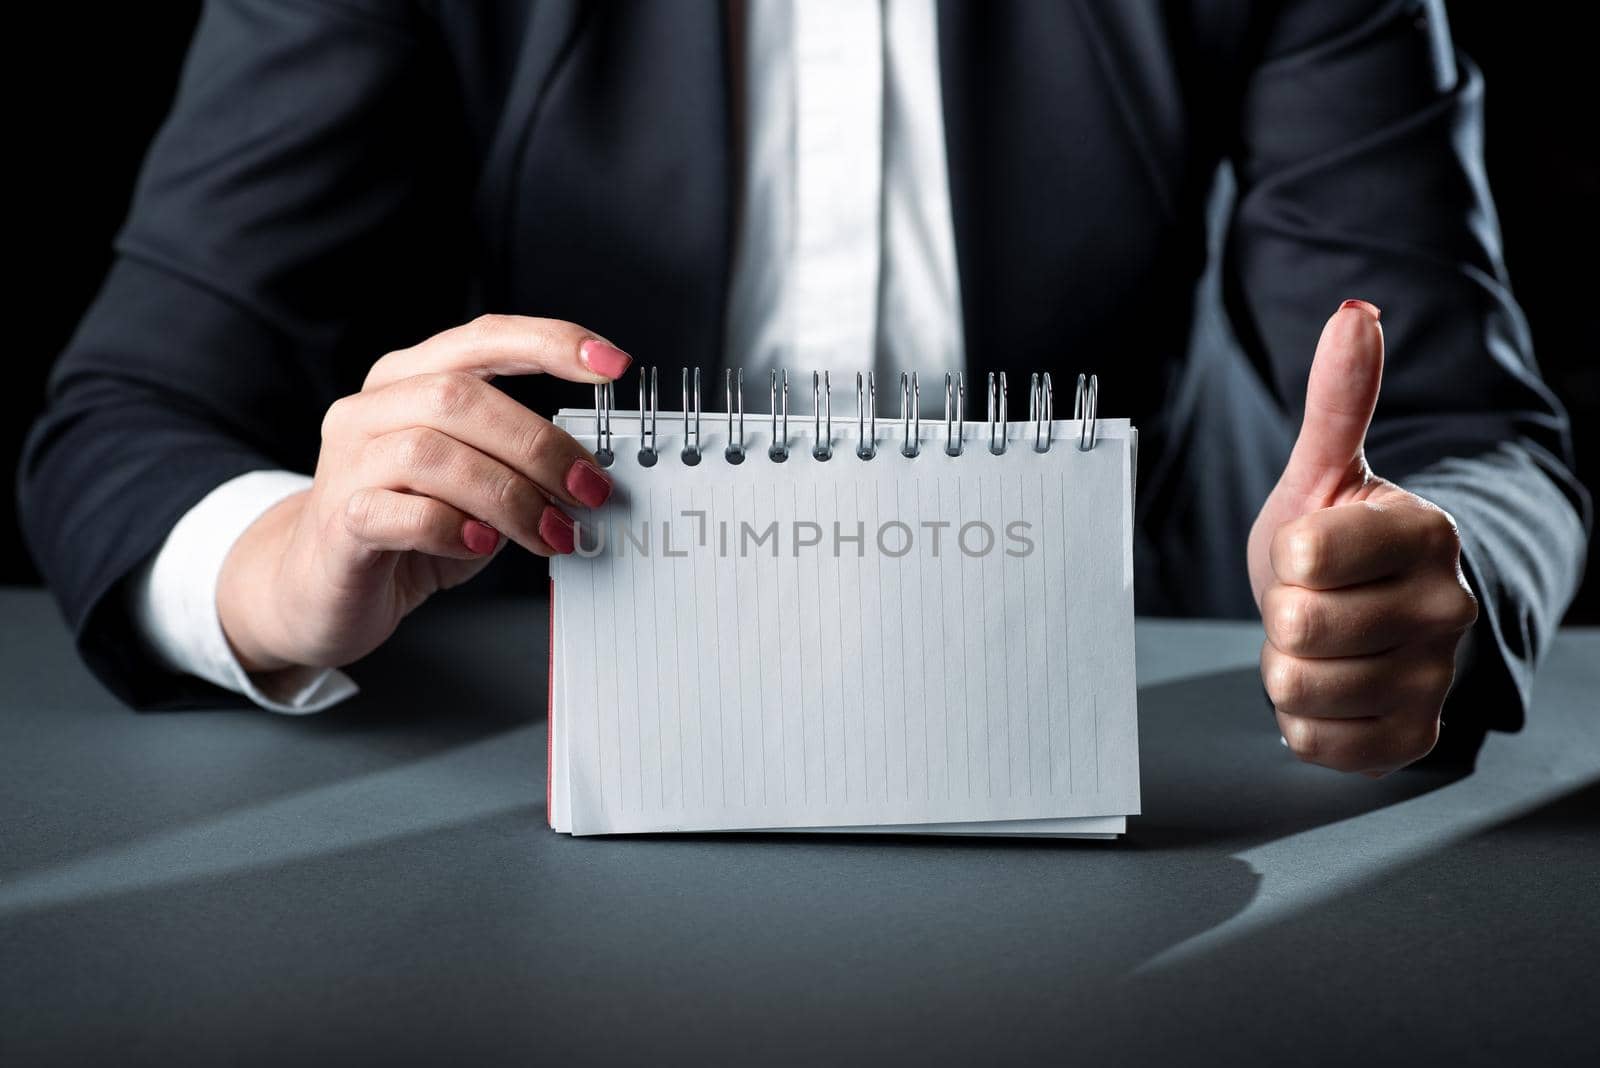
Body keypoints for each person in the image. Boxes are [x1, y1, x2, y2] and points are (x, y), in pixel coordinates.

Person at [18, 0, 1588, 777]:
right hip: (537, 761)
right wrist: (283, 564)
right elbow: (126, 421)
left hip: (1153, 728)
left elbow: (1478, 441)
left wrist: (1415, 582)